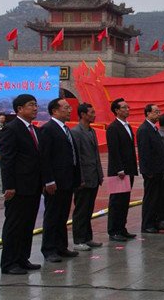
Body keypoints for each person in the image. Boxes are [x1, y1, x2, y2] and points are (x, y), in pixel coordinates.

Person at [0, 94, 44, 274]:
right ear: (19, 109)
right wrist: (9, 186)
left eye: (36, 105)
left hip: (33, 186)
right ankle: (9, 263)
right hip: (18, 187)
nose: (35, 108)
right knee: (15, 225)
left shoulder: (34, 130)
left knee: (27, 224)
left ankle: (22, 258)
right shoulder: (11, 129)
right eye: (31, 105)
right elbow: (7, 160)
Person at [40, 98, 81, 262]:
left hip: (67, 180)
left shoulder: (65, 129)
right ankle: (49, 249)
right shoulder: (48, 129)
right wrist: (48, 180)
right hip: (55, 182)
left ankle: (61, 246)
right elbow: (45, 158)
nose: (70, 110)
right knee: (52, 216)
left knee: (62, 215)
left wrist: (77, 178)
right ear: (55, 111)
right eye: (66, 108)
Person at [71, 103, 103, 251]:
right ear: (83, 114)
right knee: (81, 210)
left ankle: (87, 237)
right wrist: (80, 178)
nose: (94, 115)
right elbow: (76, 157)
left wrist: (99, 174)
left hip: (93, 176)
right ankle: (78, 240)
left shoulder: (91, 131)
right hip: (83, 178)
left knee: (89, 209)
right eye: (91, 112)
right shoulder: (76, 132)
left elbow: (95, 155)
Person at [106, 98, 138, 242]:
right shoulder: (113, 128)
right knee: (116, 202)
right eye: (124, 107)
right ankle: (114, 230)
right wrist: (119, 168)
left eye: (127, 107)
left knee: (125, 201)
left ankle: (122, 228)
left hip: (128, 169)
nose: (127, 109)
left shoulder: (127, 126)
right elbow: (114, 150)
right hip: (118, 172)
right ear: (117, 111)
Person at [137, 104, 164, 233]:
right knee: (150, 198)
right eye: (155, 112)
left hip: (158, 170)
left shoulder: (153, 128)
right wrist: (148, 171)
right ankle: (147, 224)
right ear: (148, 113)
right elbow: (144, 152)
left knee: (157, 198)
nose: (158, 114)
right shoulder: (144, 129)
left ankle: (155, 221)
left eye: (159, 112)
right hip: (151, 172)